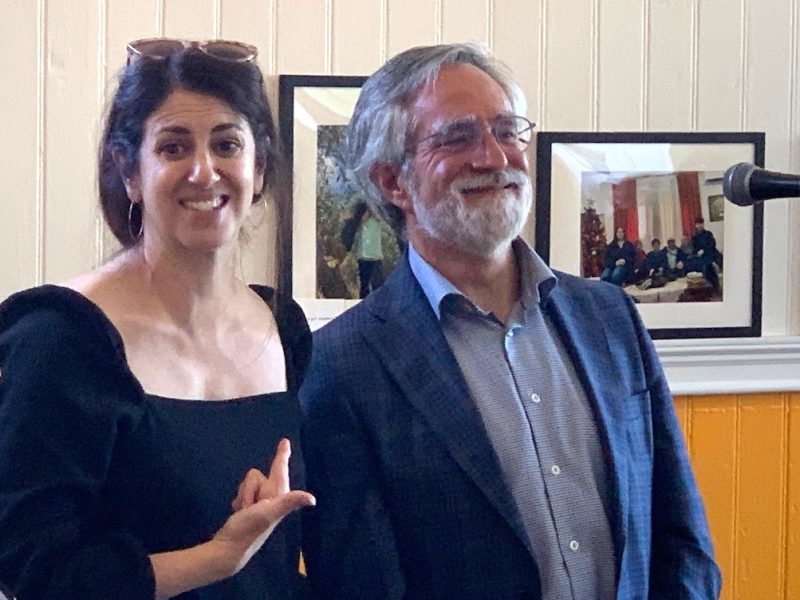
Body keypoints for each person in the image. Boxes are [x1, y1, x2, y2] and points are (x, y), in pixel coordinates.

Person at [299, 43, 721, 600]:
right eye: (458, 137)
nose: (495, 157)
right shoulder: (339, 365)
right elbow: (364, 587)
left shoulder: (609, 317)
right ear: (391, 182)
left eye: (506, 129)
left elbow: (680, 537)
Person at [0, 39, 316, 600]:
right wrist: (215, 558)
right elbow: (36, 571)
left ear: (259, 169)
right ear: (129, 173)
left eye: (227, 144)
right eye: (173, 148)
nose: (204, 171)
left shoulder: (283, 328)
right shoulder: (62, 338)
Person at [686, 217, 721, 290]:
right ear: (695, 225)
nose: (699, 226)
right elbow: (694, 249)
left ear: (703, 224)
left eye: (701, 224)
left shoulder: (708, 234)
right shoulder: (694, 237)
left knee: (713, 262)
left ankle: (716, 285)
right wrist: (698, 252)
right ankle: (711, 286)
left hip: (711, 253)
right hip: (702, 256)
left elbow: (712, 244)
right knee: (703, 265)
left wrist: (704, 250)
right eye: (698, 224)